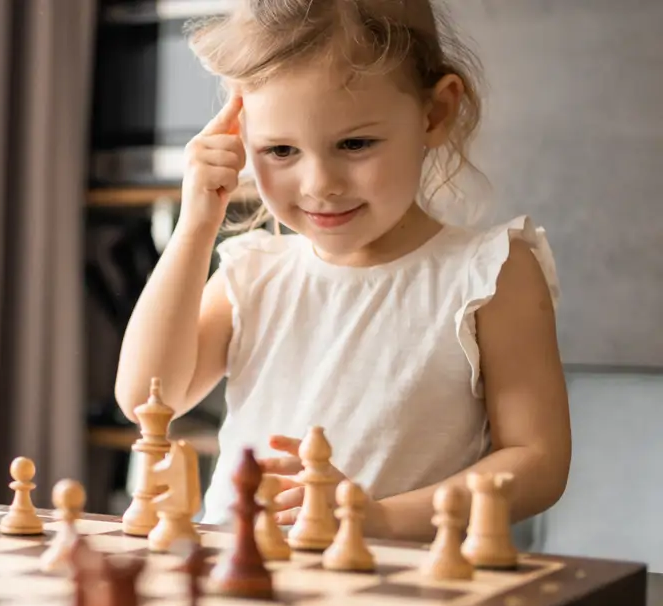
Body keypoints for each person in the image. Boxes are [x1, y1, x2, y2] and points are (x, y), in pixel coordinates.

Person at [113, 0, 570, 543]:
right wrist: (195, 228)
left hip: (395, 594)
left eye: (355, 143)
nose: (319, 184)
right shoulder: (251, 272)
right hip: (241, 582)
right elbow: (147, 401)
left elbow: (537, 462)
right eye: (280, 149)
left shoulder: (490, 274)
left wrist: (374, 518)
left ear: (435, 114)